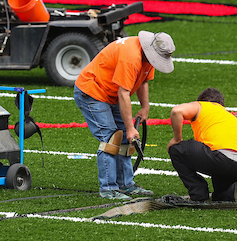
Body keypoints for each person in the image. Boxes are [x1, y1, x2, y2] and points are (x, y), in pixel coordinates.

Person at [74, 31, 176, 200]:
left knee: (123, 139)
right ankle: (108, 188)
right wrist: (129, 127)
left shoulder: (147, 54)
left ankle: (126, 184)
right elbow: (124, 93)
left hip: (111, 94)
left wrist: (145, 106)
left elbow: (143, 80)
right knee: (111, 139)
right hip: (92, 91)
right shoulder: (131, 57)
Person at [167, 87, 237, 202]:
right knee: (221, 197)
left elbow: (176, 111)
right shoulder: (228, 115)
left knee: (176, 149)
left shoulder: (202, 106)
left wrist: (177, 139)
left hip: (221, 158)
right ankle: (232, 190)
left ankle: (199, 194)